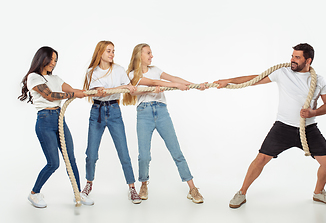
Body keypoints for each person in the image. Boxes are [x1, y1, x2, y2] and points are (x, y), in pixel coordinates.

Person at [214, 43, 326, 208]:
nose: (292, 60)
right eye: (292, 56)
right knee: (261, 159)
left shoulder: (318, 80)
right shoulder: (283, 73)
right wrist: (228, 81)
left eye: (297, 57)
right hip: (283, 127)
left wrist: (313, 113)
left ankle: (318, 192)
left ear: (308, 60)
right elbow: (254, 79)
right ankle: (241, 193)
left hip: (309, 129)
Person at [123, 43, 206, 204]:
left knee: (176, 152)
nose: (151, 56)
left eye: (151, 53)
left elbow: (173, 78)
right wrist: (175, 86)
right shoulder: (132, 74)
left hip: (161, 112)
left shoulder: (156, 70)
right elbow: (152, 84)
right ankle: (144, 184)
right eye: (148, 53)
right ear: (140, 55)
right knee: (144, 155)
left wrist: (193, 85)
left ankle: (192, 188)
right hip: (144, 113)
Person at [19, 46, 93, 208]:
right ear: (41, 59)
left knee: (70, 159)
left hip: (59, 119)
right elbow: (50, 96)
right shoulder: (33, 77)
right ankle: (34, 194)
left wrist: (93, 92)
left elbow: (73, 90)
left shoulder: (56, 78)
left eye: (55, 60)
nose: (53, 63)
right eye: (51, 59)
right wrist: (74, 94)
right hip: (44, 121)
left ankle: (77, 193)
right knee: (53, 163)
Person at [81, 41, 141, 204]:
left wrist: (129, 88)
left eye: (113, 51)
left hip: (114, 111)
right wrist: (98, 91)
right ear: (100, 52)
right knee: (91, 154)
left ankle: (132, 188)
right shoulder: (91, 72)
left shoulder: (119, 70)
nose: (112, 54)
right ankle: (88, 184)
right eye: (109, 51)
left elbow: (126, 86)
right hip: (97, 112)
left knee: (123, 151)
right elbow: (94, 91)